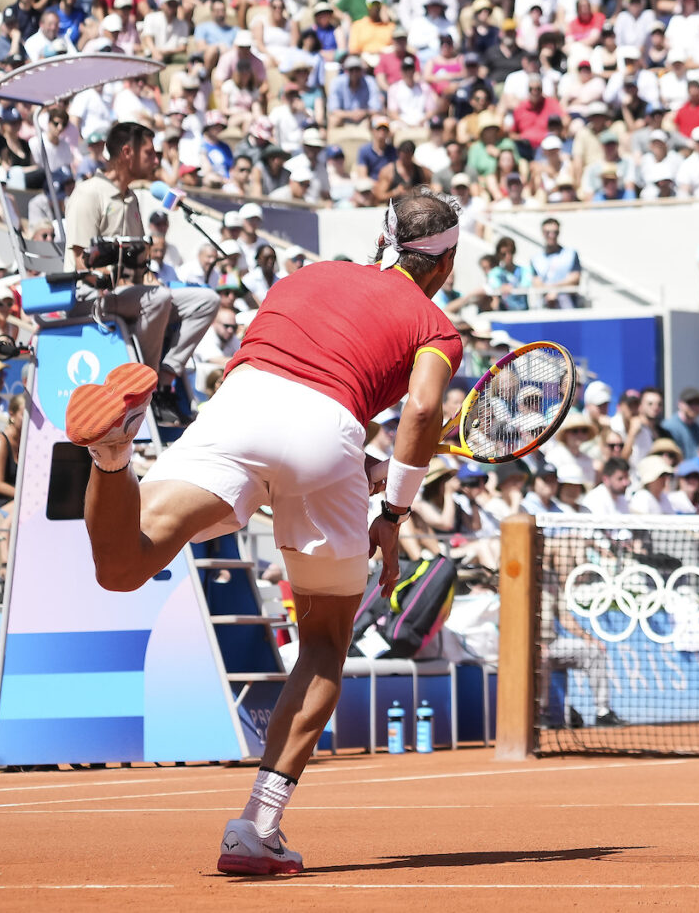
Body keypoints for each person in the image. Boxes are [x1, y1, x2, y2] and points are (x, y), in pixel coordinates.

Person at [67, 191, 466, 875]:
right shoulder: (435, 323)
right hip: (326, 432)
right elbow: (423, 408)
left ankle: (108, 456)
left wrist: (358, 460)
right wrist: (393, 513)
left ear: (384, 241)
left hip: (243, 402)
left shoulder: (308, 277)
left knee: (125, 563)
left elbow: (273, 375)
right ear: (446, 262)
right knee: (323, 641)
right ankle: (256, 828)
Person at [65, 120, 220, 421]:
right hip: (91, 296)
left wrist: (147, 278)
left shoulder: (132, 198)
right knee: (158, 298)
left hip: (129, 292)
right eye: (149, 153)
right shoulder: (88, 193)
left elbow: (138, 265)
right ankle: (147, 388)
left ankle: (164, 378)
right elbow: (79, 262)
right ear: (126, 153)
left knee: (206, 300)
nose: (156, 160)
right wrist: (117, 279)